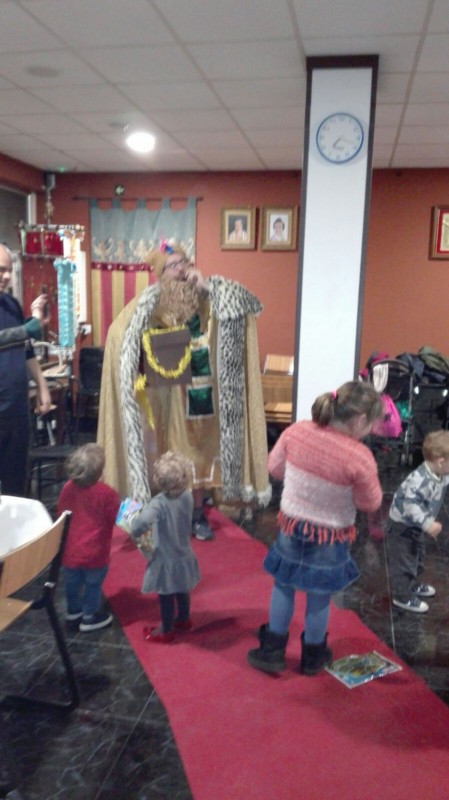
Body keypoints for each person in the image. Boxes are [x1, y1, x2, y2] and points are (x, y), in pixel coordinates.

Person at [97, 242, 270, 542]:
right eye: (172, 266)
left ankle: (196, 514)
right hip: (165, 399)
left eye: (184, 263)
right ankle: (164, 514)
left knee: (199, 455)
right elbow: (119, 334)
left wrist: (208, 288)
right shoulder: (150, 302)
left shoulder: (207, 296)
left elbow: (247, 306)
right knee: (170, 456)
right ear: (160, 274)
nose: (180, 270)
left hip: (206, 395)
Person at [247, 381, 383, 676]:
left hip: (291, 525)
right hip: (329, 535)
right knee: (319, 594)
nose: (370, 430)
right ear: (360, 420)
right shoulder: (360, 456)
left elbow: (275, 469)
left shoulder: (297, 431)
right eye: (371, 424)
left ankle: (272, 651)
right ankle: (312, 655)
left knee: (283, 584)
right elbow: (369, 502)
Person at [130, 450, 200, 643]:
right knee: (182, 589)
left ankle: (166, 630)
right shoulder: (187, 496)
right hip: (184, 552)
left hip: (165, 557)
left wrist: (133, 524)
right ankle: (184, 619)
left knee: (166, 595)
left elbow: (140, 524)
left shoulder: (158, 503)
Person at [0, 242, 51, 496]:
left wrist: (42, 386)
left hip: (17, 409)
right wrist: (30, 326)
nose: (6, 276)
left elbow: (26, 348)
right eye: (1, 270)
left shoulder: (11, 303)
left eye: (9, 270)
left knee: (16, 483)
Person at [57, 443, 120, 632]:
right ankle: (90, 616)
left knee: (72, 584)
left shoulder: (67, 488)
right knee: (93, 585)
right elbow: (118, 517)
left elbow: (61, 514)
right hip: (95, 551)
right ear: (99, 471)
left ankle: (73, 612)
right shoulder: (106, 493)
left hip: (69, 551)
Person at [387, 429, 449, 614]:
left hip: (415, 526)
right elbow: (410, 505)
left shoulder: (441, 473)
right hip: (402, 526)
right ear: (441, 461)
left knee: (418, 557)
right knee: (404, 561)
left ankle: (412, 585)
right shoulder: (420, 480)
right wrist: (427, 524)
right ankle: (402, 597)